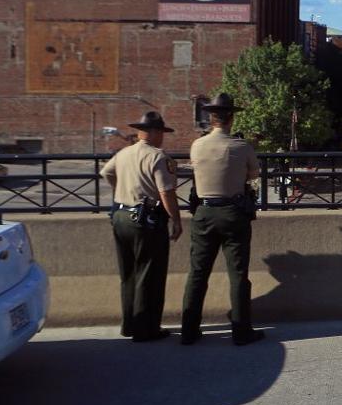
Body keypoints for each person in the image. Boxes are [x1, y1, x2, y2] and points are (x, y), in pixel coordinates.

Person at [180, 93, 265, 346]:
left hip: (204, 213)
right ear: (232, 118)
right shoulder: (241, 147)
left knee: (197, 273)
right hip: (233, 213)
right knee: (238, 273)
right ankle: (241, 331)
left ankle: (189, 330)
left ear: (211, 118)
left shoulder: (197, 145)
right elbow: (253, 174)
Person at [100, 111, 183, 342]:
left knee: (128, 274)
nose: (163, 138)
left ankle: (129, 325)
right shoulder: (158, 157)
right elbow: (166, 192)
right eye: (162, 133)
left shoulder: (124, 153)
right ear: (155, 132)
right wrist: (175, 219)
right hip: (146, 220)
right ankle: (146, 329)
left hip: (120, 215)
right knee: (150, 274)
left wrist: (121, 190)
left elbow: (106, 172)